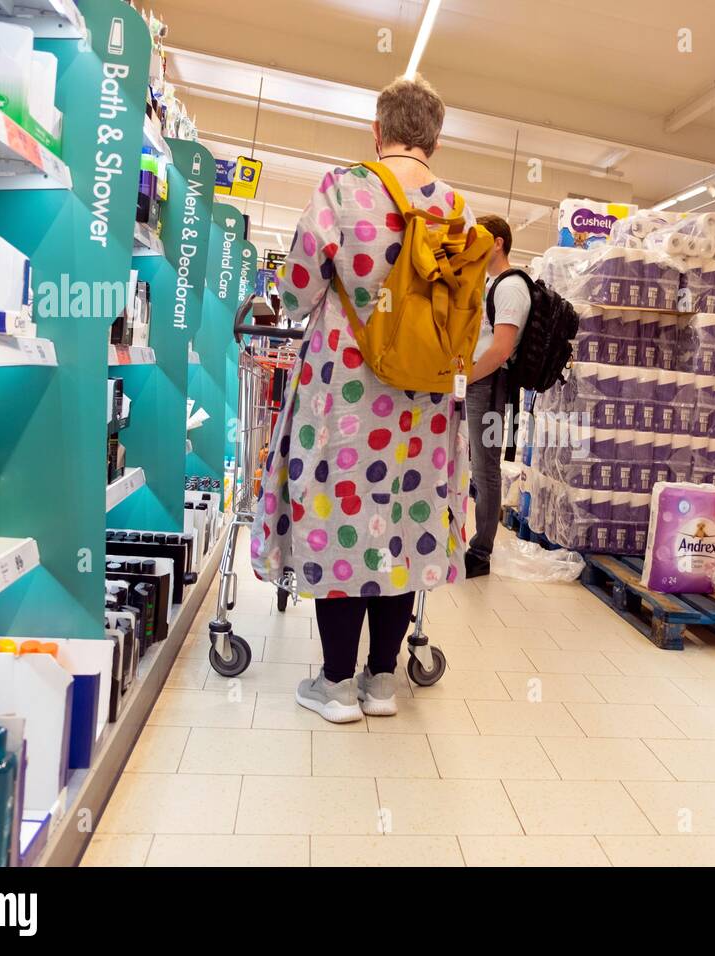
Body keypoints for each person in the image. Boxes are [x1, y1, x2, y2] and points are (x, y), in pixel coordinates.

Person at [251, 74, 478, 723]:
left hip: (346, 393)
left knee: (340, 528)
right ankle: (383, 682)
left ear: (379, 132)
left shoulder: (345, 188)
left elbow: (295, 288)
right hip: (427, 404)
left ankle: (335, 685)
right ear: (433, 139)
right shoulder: (455, 209)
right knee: (402, 534)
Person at [464, 214, 531, 579]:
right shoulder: (491, 283)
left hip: (489, 386)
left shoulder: (510, 287)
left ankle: (481, 551)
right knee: (476, 463)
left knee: (485, 467)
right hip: (479, 383)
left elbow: (502, 349)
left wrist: (467, 378)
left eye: (480, 238)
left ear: (498, 243)